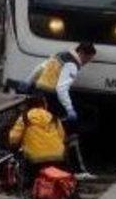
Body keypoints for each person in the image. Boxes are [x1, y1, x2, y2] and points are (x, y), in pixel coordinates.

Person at [28, 42, 96, 177]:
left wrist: (28, 83)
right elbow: (62, 88)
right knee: (71, 131)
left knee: (44, 130)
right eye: (87, 59)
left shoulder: (59, 56)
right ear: (82, 53)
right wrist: (69, 109)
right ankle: (77, 170)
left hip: (41, 95)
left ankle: (41, 165)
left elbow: (39, 68)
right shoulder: (72, 64)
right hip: (53, 98)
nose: (86, 63)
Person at [8, 95, 67, 185]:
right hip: (57, 157)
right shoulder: (54, 118)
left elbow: (13, 138)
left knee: (26, 162)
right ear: (44, 104)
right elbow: (62, 137)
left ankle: (29, 181)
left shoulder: (25, 117)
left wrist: (15, 146)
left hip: (35, 159)